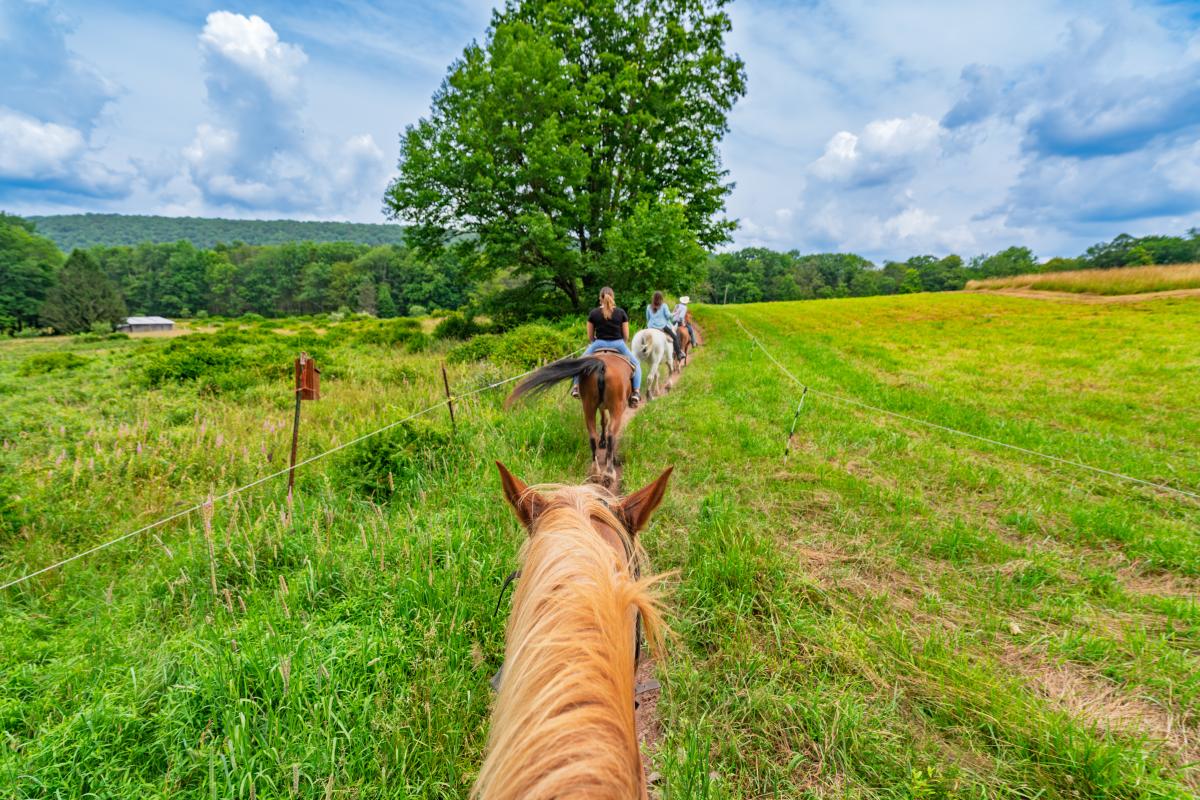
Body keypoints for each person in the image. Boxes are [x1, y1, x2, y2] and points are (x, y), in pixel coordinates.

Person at [571, 286, 641, 406]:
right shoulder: (621, 312)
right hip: (618, 344)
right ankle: (636, 392)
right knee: (636, 364)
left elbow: (590, 336)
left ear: (600, 298)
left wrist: (595, 342)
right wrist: (621, 343)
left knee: (579, 362)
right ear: (613, 297)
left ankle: (576, 387)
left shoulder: (593, 313)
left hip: (599, 343)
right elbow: (626, 335)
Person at [645, 291, 682, 362]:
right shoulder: (664, 305)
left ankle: (644, 349)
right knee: (674, 337)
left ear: (653, 298)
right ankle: (679, 354)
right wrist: (676, 313)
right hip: (662, 327)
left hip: (650, 327)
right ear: (661, 298)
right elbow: (668, 316)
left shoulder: (648, 306)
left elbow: (647, 318)